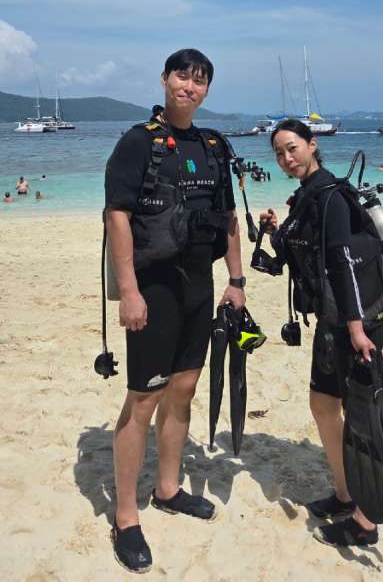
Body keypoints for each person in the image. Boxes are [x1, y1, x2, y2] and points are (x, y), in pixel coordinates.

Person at [104, 48, 245, 573]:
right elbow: (117, 216)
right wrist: (129, 290)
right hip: (154, 286)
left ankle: (167, 489)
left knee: (183, 387)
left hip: (198, 285)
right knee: (144, 397)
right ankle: (125, 517)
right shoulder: (138, 142)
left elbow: (228, 218)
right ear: (165, 79)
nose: (190, 86)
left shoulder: (213, 146)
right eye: (182, 76)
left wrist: (236, 280)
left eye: (200, 80)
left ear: (207, 90)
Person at [261, 118, 383, 551]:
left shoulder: (332, 197)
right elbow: (301, 256)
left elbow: (342, 262)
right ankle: (346, 492)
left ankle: (366, 521)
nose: (286, 158)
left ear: (312, 145)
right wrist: (276, 231)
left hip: (354, 325)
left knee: (363, 420)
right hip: (332, 324)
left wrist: (355, 326)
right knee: (322, 406)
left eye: (292, 148)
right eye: (279, 153)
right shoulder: (306, 197)